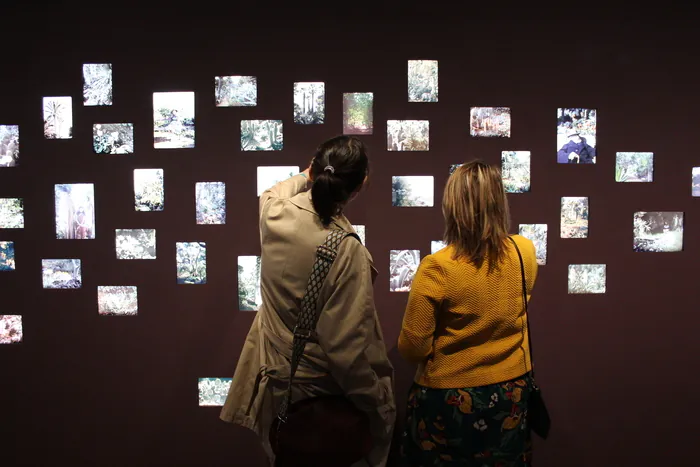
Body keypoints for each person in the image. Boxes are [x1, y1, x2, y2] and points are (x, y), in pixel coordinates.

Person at [220, 135, 396, 467]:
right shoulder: (346, 249)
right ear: (359, 186)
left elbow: (275, 190)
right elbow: (345, 351)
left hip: (277, 392)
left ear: (315, 170)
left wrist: (310, 173)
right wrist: (377, 402)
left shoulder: (273, 213)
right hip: (325, 401)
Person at [398, 160, 539, 466]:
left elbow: (412, 348)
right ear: (499, 202)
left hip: (448, 400)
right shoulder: (523, 251)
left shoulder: (438, 267)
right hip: (511, 392)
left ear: (453, 206)